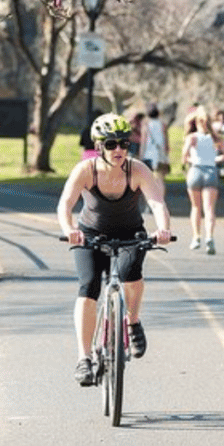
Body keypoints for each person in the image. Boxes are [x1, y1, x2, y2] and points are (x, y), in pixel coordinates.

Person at [57, 113, 172, 387]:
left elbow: (157, 203)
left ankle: (132, 322)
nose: (118, 150)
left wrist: (163, 229)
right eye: (111, 144)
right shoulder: (86, 170)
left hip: (130, 233)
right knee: (88, 287)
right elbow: (65, 203)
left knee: (131, 274)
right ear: (99, 146)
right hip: (89, 235)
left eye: (124, 144)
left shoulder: (138, 170)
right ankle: (84, 358)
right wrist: (68, 230)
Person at [181, 106, 224, 254]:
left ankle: (196, 237)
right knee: (209, 209)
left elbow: (184, 157)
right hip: (210, 171)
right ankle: (209, 237)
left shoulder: (192, 138)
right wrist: (215, 159)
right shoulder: (215, 138)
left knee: (196, 207)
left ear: (196, 122)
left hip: (195, 170)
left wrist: (191, 159)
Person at [140, 103, 170, 184]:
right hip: (160, 155)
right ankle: (160, 196)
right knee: (160, 180)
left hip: (148, 155)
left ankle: (151, 195)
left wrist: (141, 156)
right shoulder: (163, 124)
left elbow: (143, 142)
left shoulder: (146, 125)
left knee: (148, 180)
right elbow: (166, 141)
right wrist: (166, 154)